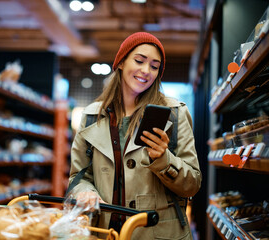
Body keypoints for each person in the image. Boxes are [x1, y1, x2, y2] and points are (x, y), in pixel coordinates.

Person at [67, 32, 202, 239]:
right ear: (121, 62)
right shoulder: (92, 116)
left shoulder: (175, 113)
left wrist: (163, 160)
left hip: (158, 233)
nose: (146, 71)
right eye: (139, 61)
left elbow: (192, 184)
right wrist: (85, 192)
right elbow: (78, 177)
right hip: (105, 232)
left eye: (155, 66)